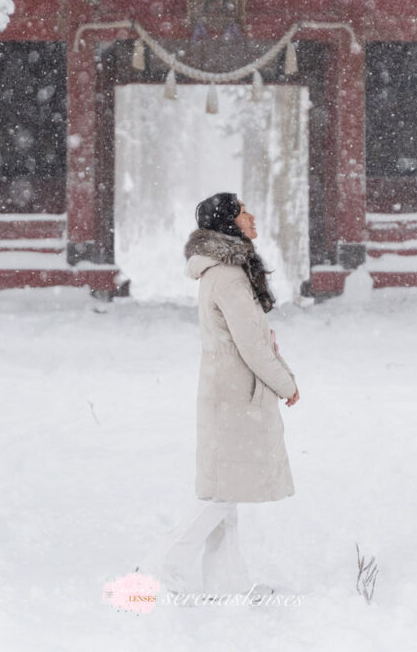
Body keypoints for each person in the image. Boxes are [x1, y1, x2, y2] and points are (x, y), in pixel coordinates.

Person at [156, 192, 300, 598]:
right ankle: (161, 574)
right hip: (234, 397)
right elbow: (253, 344)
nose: (252, 216)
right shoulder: (229, 277)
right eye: (242, 212)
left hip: (230, 393)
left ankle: (228, 587)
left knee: (226, 496)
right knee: (219, 496)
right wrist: (286, 384)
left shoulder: (223, 272)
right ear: (228, 224)